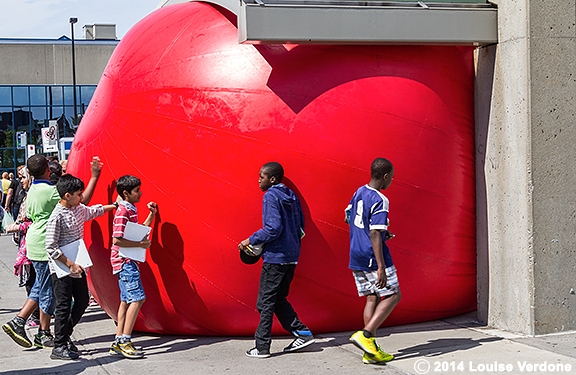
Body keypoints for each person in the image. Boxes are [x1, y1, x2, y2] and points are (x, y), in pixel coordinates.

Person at [1, 155, 103, 350]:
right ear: (48, 169)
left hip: (35, 240)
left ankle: (34, 327)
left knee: (41, 286)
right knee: (48, 291)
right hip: (44, 244)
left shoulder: (33, 189)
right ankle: (32, 326)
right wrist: (94, 177)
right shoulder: (50, 192)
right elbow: (81, 200)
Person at [238, 162, 315, 358]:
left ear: (272, 179)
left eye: (261, 177)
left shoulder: (270, 195)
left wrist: (251, 240)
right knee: (278, 299)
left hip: (275, 258)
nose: (258, 180)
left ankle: (262, 346)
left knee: (264, 303)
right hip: (291, 257)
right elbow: (301, 228)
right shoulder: (291, 196)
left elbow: (273, 228)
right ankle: (303, 334)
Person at [45, 174, 117, 360]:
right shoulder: (56, 216)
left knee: (83, 300)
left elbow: (94, 211)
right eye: (78, 194)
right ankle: (59, 346)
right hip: (62, 268)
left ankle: (64, 335)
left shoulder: (78, 209)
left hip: (78, 265)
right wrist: (69, 264)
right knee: (63, 306)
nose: (82, 197)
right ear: (67, 196)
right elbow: (50, 246)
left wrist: (114, 206)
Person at [345, 157, 401, 364]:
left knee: (371, 298)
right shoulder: (381, 199)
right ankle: (366, 335)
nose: (392, 181)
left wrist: (382, 232)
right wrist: (380, 266)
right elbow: (375, 232)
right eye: (392, 178)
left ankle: (370, 352)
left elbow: (348, 218)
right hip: (371, 255)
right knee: (393, 295)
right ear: (385, 176)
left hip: (355, 252)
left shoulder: (358, 192)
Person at [108, 175, 157, 359]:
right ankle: (125, 341)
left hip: (126, 260)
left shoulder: (130, 208)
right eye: (137, 191)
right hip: (125, 261)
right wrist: (140, 246)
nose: (141, 193)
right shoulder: (123, 212)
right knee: (137, 298)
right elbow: (117, 239)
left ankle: (119, 338)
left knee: (126, 300)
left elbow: (137, 233)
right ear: (126, 193)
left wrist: (151, 214)